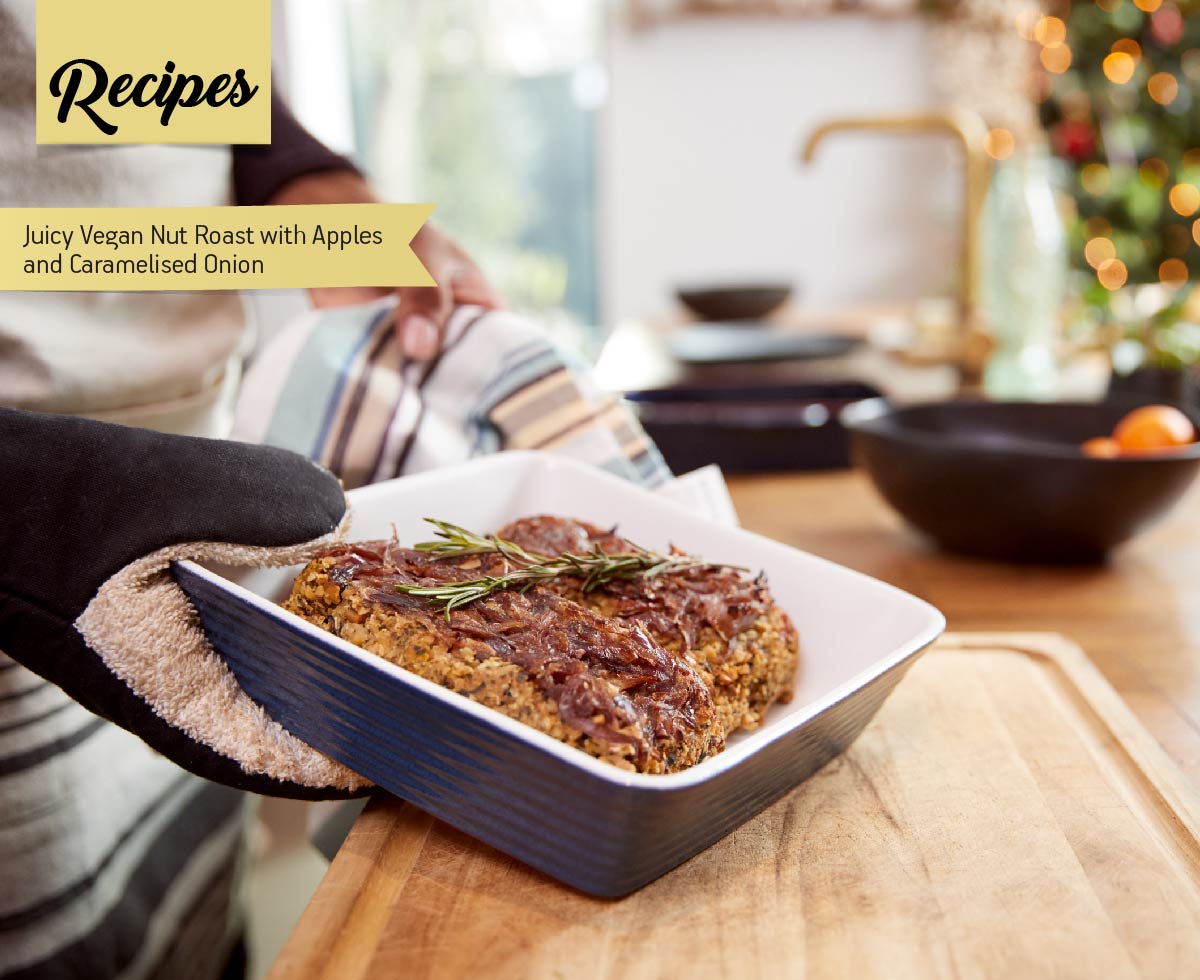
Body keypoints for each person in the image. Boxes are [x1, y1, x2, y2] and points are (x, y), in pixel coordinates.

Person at [0, 2, 498, 976]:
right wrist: (38, 508)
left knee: (185, 922)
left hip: (178, 507)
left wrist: (300, 174)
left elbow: (69, 39)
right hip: (29, 561)